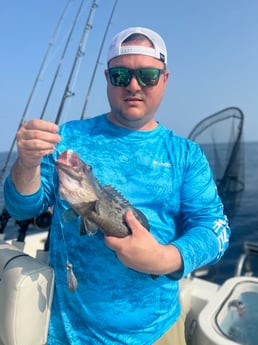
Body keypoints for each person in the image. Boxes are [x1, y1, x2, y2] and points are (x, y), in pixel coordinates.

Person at [4, 27, 230, 345]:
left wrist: (164, 259)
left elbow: (214, 228)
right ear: (107, 78)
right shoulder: (67, 136)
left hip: (157, 332)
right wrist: (26, 163)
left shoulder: (186, 155)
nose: (134, 86)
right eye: (121, 75)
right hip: (69, 331)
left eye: (148, 75)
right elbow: (22, 207)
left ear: (164, 79)